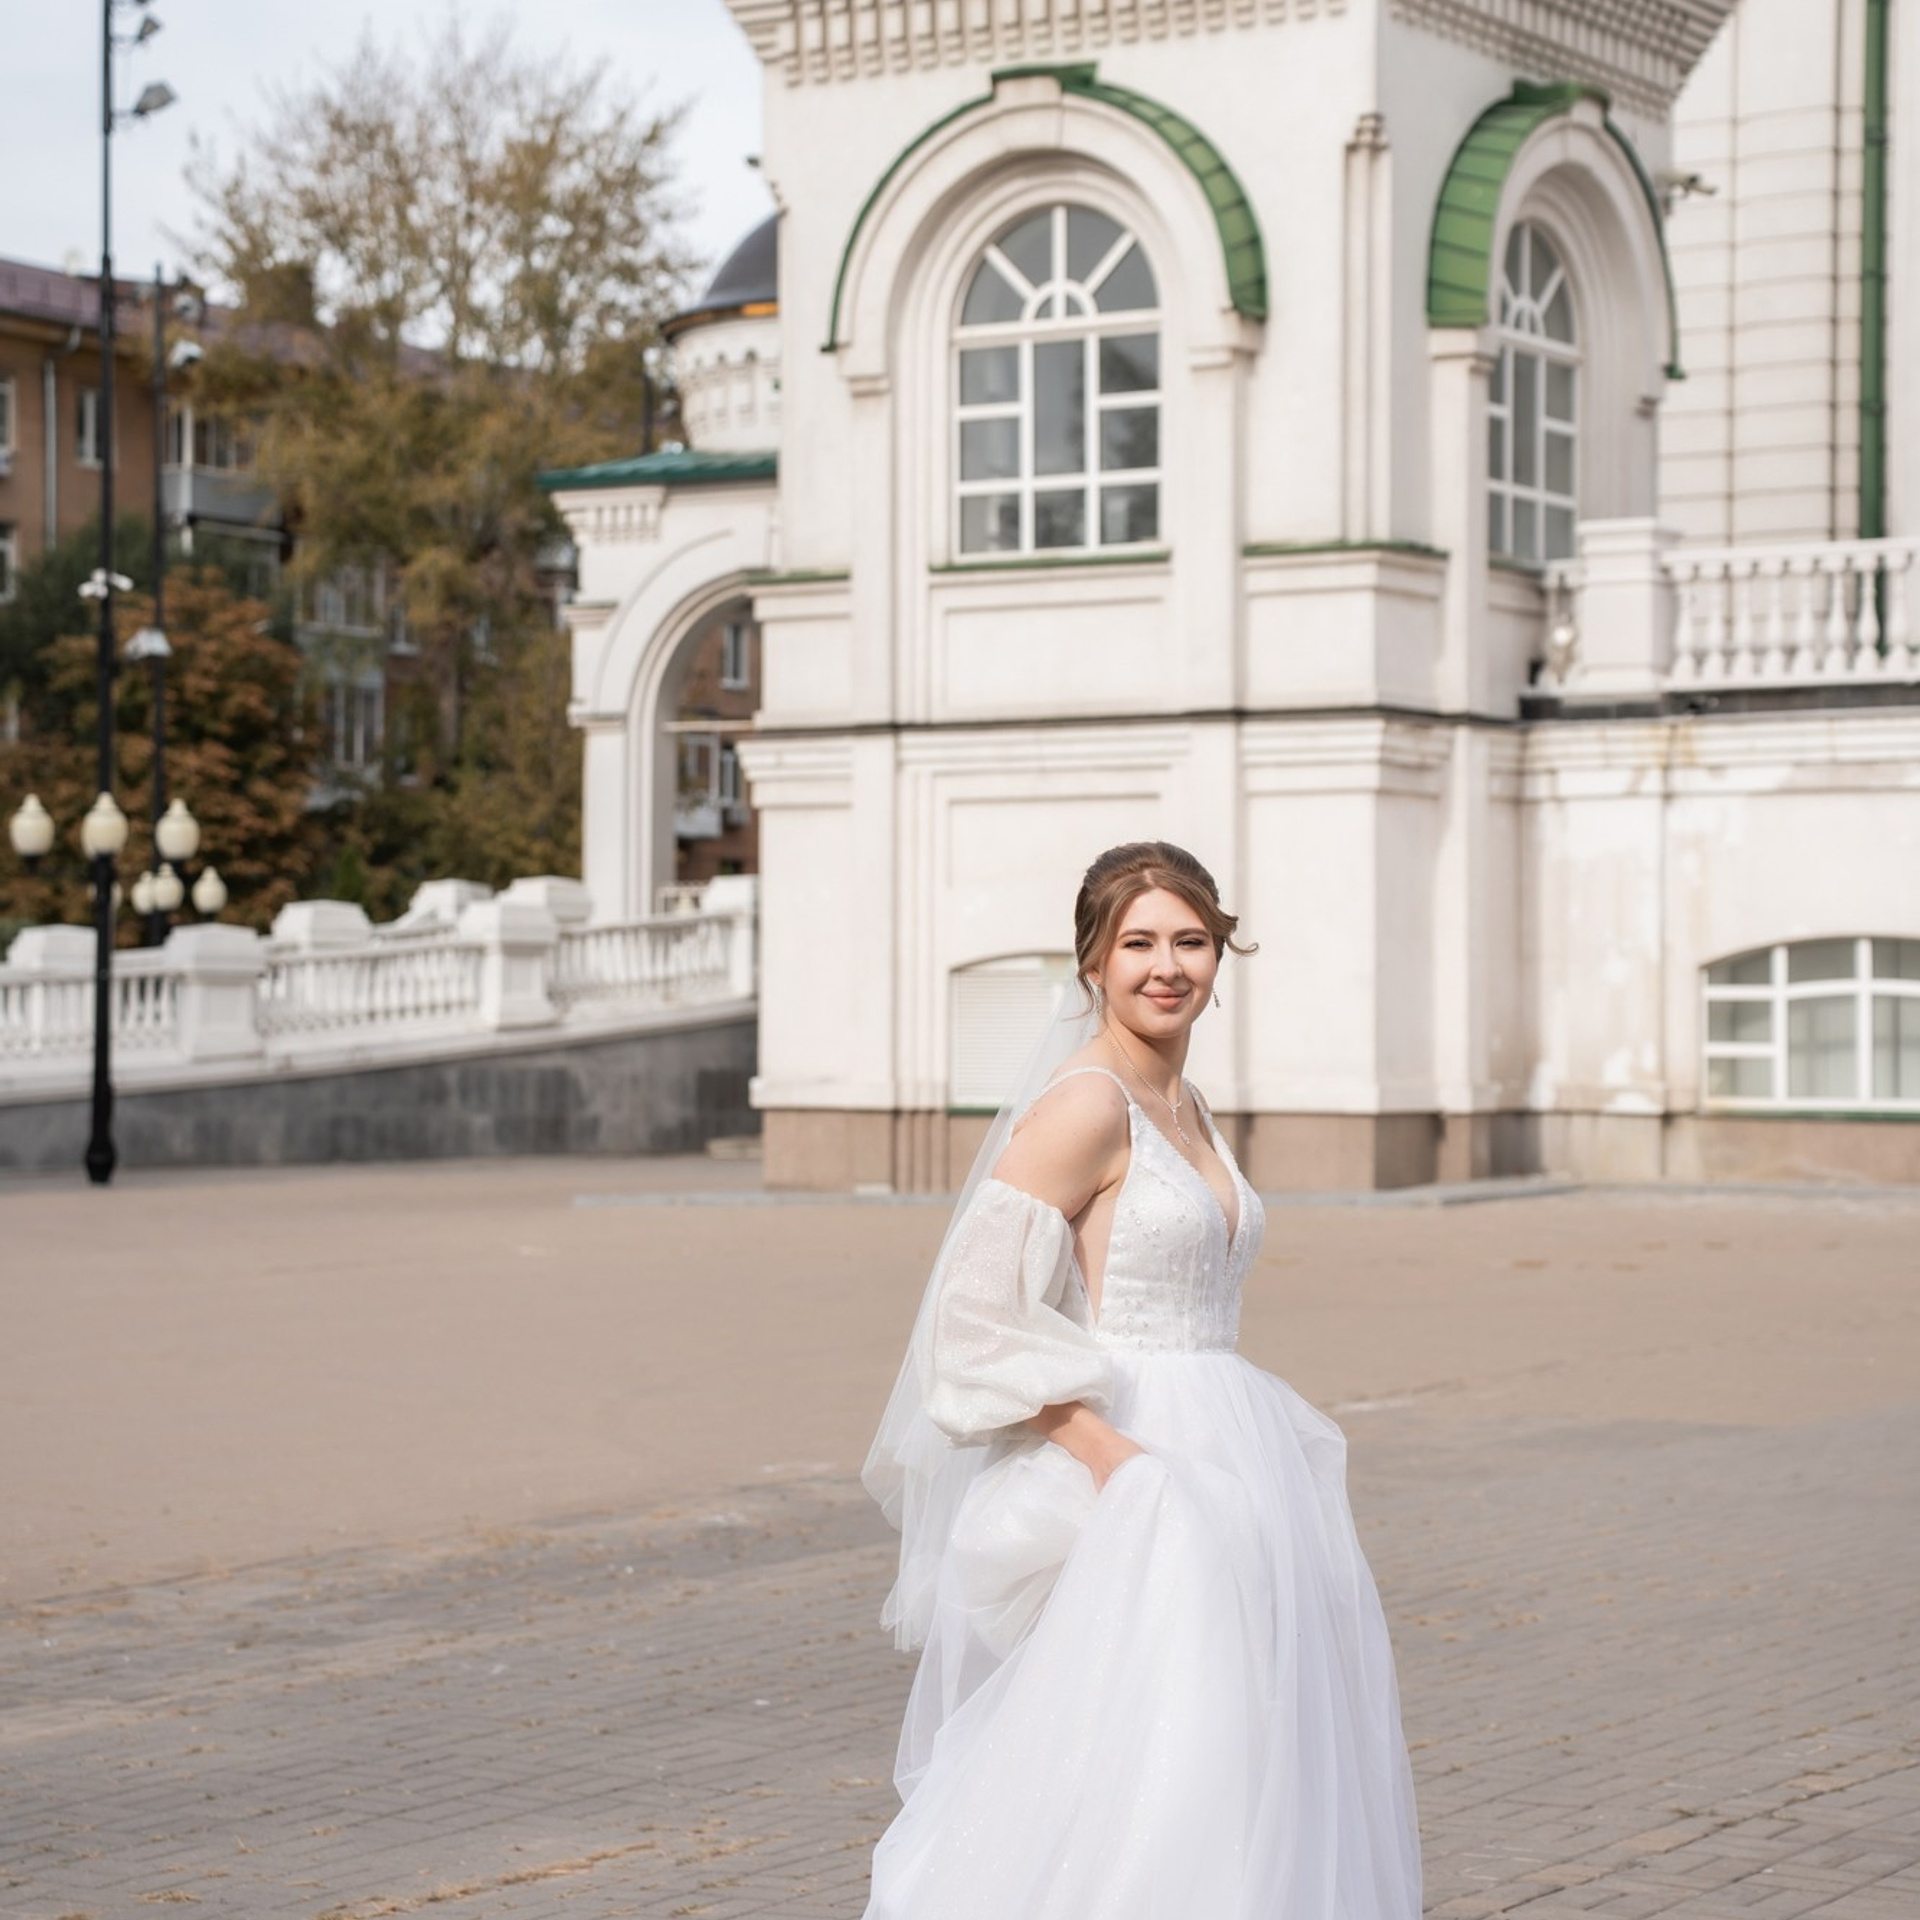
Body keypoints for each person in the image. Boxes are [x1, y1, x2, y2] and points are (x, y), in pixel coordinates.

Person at [860, 841, 1423, 1919]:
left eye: (1191, 941)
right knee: (1158, 1754)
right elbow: (970, 1324)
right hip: (1135, 1464)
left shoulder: (1189, 1102)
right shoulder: (1086, 1105)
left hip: (1232, 1442)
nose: (1168, 967)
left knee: (1253, 1751)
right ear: (1093, 964)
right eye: (1139, 944)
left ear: (1220, 954)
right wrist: (1112, 1460)